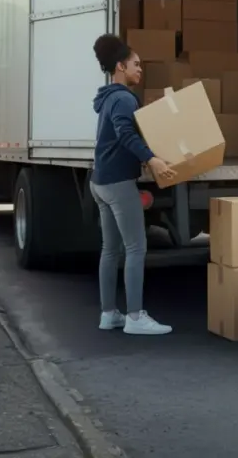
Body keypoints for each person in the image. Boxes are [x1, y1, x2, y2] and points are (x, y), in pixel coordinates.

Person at [91, 33, 176, 336]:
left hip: (99, 181)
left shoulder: (107, 98)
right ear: (120, 66)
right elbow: (126, 134)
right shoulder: (125, 99)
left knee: (110, 250)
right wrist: (152, 160)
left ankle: (108, 314)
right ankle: (135, 317)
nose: (141, 70)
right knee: (136, 248)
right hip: (117, 182)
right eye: (136, 65)